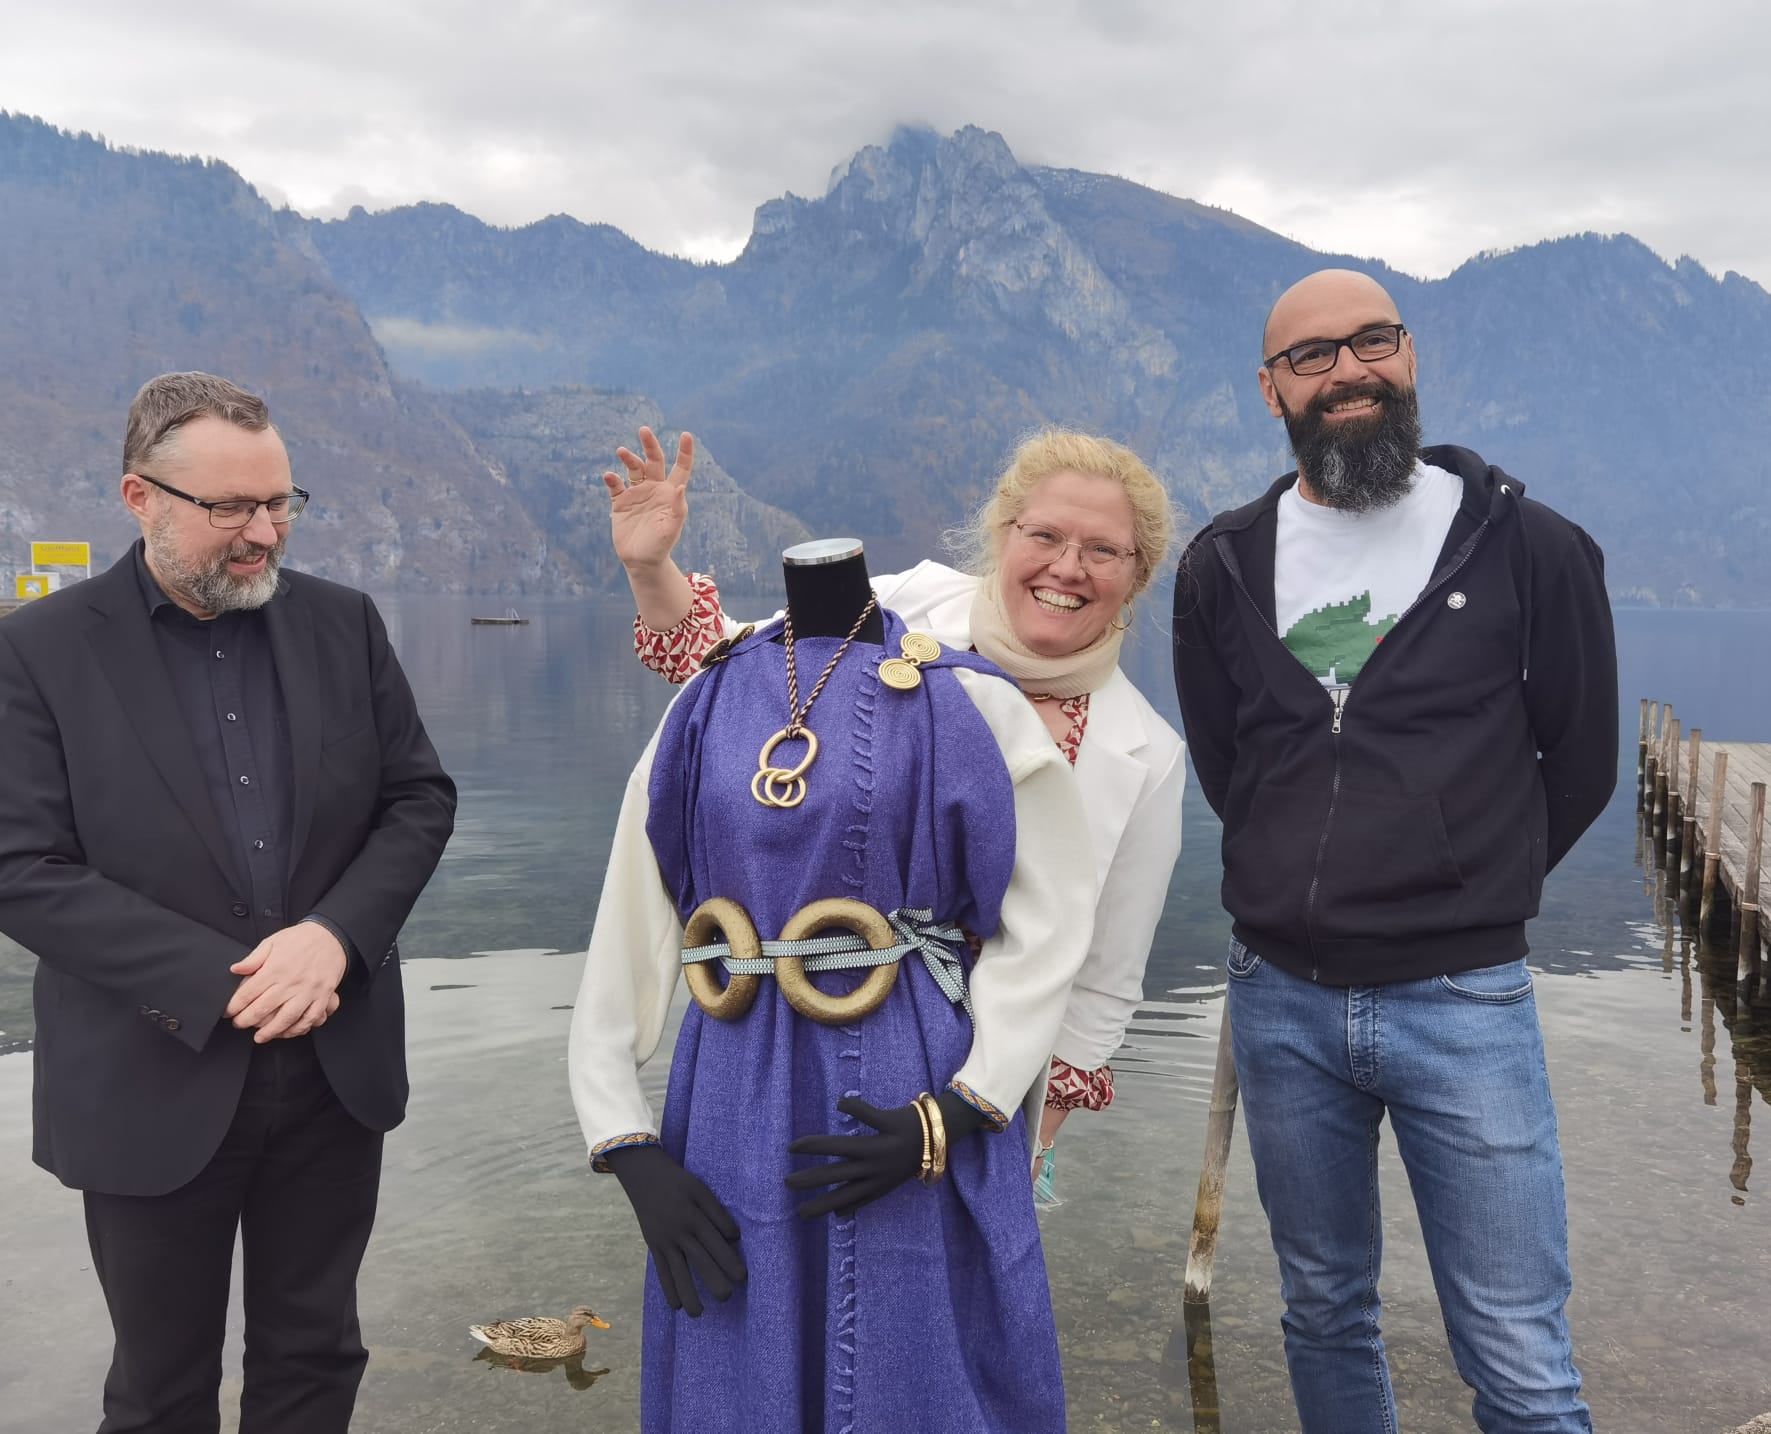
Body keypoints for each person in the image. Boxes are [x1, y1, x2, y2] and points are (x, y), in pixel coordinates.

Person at [1171, 269, 1616, 1434]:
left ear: (1409, 357)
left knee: (1517, 1352)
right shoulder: (1220, 565)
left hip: (1462, 998)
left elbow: (1578, 767)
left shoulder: (1530, 546)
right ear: (1270, 391)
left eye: (1372, 342)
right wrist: (1289, 878)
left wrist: (1468, 882)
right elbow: (1235, 771)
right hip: (1280, 1003)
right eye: (1312, 357)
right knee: (1320, 1311)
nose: (1348, 372)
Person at [0, 372, 457, 1433]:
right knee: (160, 1392)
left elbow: (416, 799)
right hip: (147, 1073)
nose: (264, 534)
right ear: (139, 498)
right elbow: (22, 866)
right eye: (232, 510)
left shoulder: (345, 626)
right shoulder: (38, 650)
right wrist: (230, 983)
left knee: (316, 1362)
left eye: (282, 503)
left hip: (333, 1070)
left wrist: (335, 941)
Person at [567, 537, 1095, 1431]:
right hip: (732, 1089)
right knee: (740, 1319)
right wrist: (627, 1143)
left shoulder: (965, 700)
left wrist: (963, 1109)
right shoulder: (701, 706)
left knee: (920, 1336)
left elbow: (1049, 920)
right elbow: (630, 919)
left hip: (910, 1087)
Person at [607, 426, 1185, 1171]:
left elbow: (1105, 975)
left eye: (1103, 550)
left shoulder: (1146, 754)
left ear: (1136, 576)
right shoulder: (899, 607)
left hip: (981, 1075)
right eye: (1044, 535)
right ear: (1001, 535)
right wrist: (651, 568)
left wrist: (1014, 1136)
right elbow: (738, 678)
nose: (1067, 568)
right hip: (822, 1021)